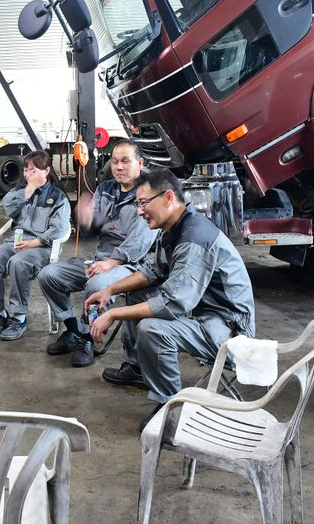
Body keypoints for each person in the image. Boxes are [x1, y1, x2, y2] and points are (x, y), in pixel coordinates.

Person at [85, 169, 255, 431]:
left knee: (152, 329)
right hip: (203, 313)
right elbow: (152, 272)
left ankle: (171, 411)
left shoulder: (194, 237)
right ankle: (138, 368)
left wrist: (113, 314)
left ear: (168, 198)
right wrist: (110, 290)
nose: (139, 211)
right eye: (137, 204)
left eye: (143, 203)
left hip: (231, 330)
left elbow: (173, 303)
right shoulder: (174, 228)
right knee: (138, 295)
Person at [38, 139, 157, 366]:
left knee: (96, 285)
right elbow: (93, 227)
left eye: (125, 161)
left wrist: (112, 262)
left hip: (132, 265)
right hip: (100, 259)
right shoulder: (106, 189)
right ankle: (73, 330)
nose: (118, 167)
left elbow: (141, 242)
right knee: (48, 275)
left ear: (140, 163)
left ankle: (88, 338)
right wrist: (85, 218)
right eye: (115, 162)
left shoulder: (149, 194)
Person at [0, 150, 71, 341]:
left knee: (18, 263)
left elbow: (59, 229)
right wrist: (27, 192)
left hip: (42, 247)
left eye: (33, 170)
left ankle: (18, 317)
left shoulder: (58, 197)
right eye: (26, 170)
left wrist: (35, 242)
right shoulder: (20, 191)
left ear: (46, 171)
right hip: (17, 242)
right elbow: (8, 208)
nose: (28, 175)